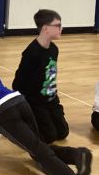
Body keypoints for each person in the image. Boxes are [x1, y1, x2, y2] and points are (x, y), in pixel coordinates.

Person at [12, 9, 69, 144]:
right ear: (45, 28)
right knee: (49, 136)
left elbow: (50, 77)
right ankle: (22, 120)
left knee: (63, 132)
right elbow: (19, 81)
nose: (61, 28)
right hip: (35, 101)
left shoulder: (54, 49)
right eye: (58, 25)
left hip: (50, 98)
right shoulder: (31, 52)